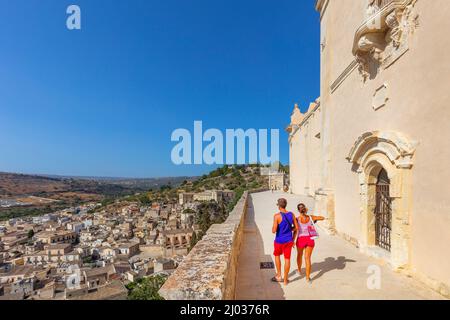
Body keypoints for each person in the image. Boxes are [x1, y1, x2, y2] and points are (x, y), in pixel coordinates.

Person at [296, 203, 325, 284]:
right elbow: (322, 218)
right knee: (307, 258)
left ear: (298, 210)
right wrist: (314, 221)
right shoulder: (311, 217)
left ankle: (299, 270)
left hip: (300, 239)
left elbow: (293, 228)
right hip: (310, 239)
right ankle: (308, 278)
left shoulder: (297, 219)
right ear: (305, 209)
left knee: (299, 256)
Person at [272, 198, 299, 285]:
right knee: (287, 259)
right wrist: (290, 230)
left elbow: (274, 230)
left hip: (279, 240)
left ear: (279, 206)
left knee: (277, 256)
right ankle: (285, 280)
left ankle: (279, 276)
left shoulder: (277, 216)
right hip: (289, 240)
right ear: (285, 205)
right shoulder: (292, 214)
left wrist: (275, 227)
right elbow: (296, 228)